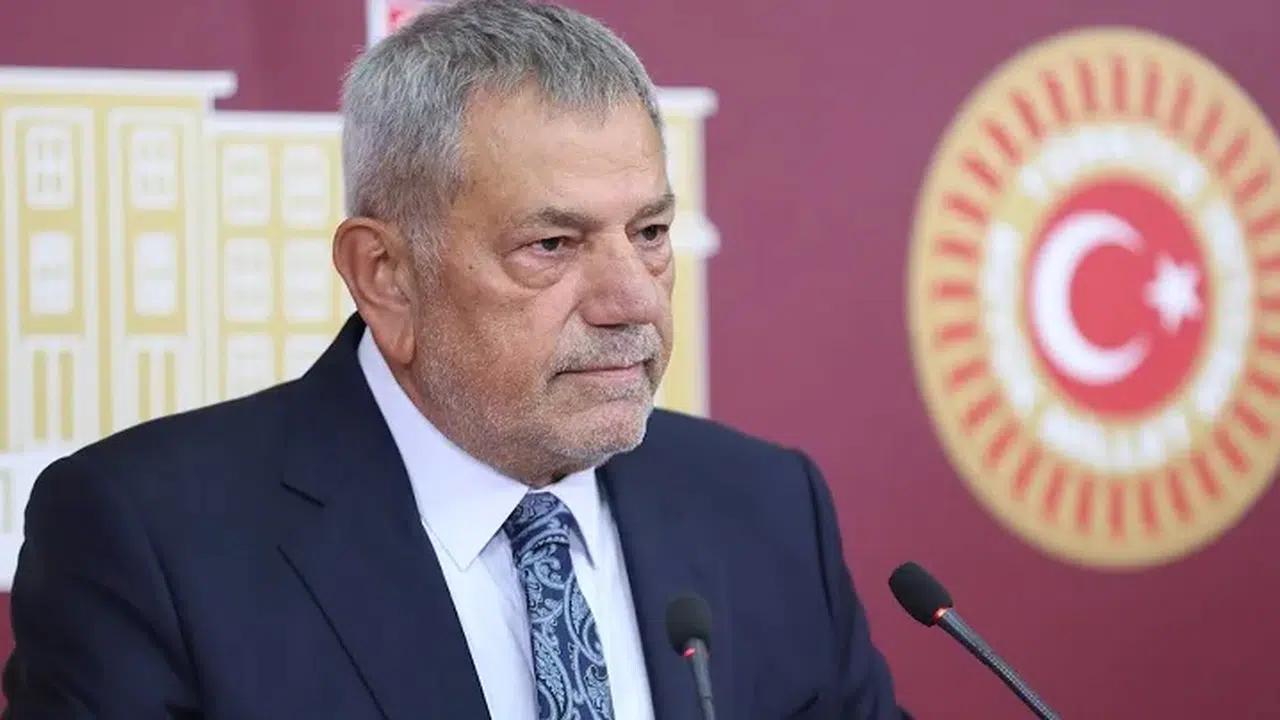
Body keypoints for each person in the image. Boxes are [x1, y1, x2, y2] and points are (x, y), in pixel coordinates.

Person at [2, 1, 908, 717]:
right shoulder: (150, 540)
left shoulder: (766, 508)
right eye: (552, 244)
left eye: (650, 233)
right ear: (386, 274)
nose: (632, 299)